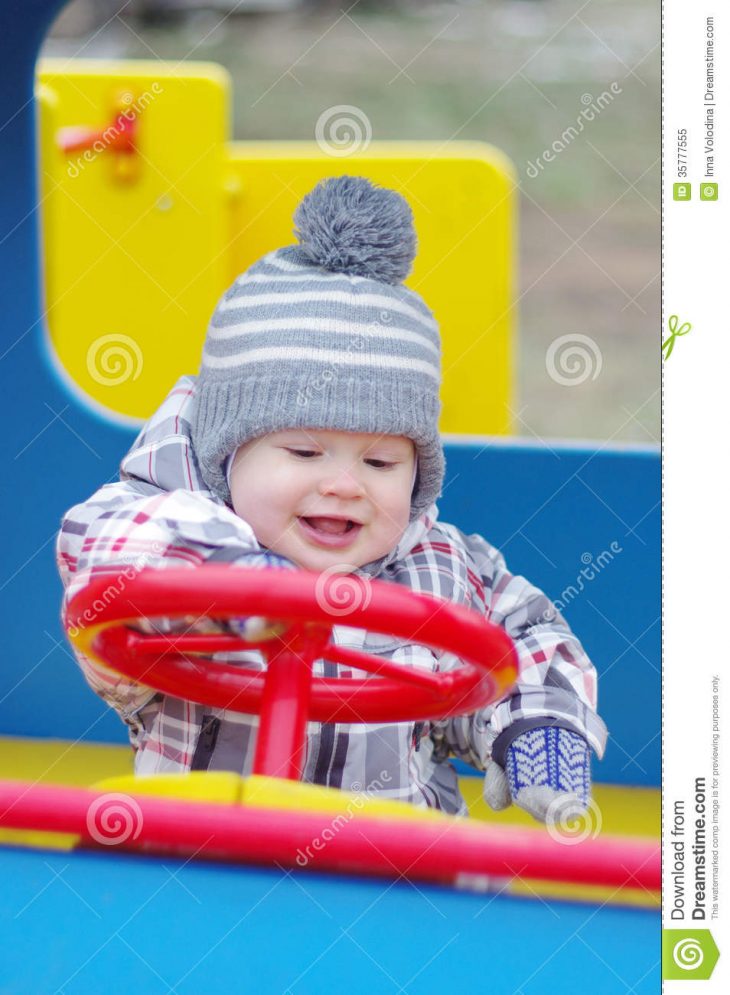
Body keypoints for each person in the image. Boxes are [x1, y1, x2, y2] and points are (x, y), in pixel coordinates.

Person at [57, 175, 607, 824]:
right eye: (304, 452)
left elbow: (529, 635)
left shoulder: (443, 571)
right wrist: (239, 590)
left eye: (380, 461)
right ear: (226, 455)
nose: (345, 484)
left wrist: (540, 734)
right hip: (204, 872)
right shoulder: (172, 529)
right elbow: (117, 543)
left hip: (395, 877)